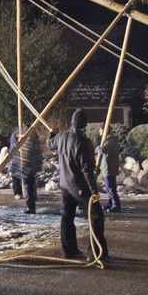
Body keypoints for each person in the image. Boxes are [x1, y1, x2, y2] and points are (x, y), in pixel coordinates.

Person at [47, 110, 110, 261]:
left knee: (67, 217)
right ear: (85, 125)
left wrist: (51, 134)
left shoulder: (61, 136)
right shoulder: (83, 142)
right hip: (79, 186)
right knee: (96, 217)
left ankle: (69, 251)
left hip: (65, 185)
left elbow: (50, 144)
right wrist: (94, 190)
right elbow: (87, 170)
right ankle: (95, 253)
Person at [9, 126, 43, 214]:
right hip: (32, 165)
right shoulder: (35, 139)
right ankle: (32, 203)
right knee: (31, 184)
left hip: (27, 165)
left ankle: (30, 207)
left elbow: (17, 145)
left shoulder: (26, 141)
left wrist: (14, 137)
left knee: (28, 185)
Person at [95, 128, 122, 213]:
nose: (99, 132)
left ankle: (116, 205)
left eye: (100, 130)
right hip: (108, 167)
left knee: (110, 187)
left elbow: (102, 150)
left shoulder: (110, 141)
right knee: (109, 186)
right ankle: (111, 203)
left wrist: (97, 148)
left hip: (109, 168)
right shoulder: (108, 140)